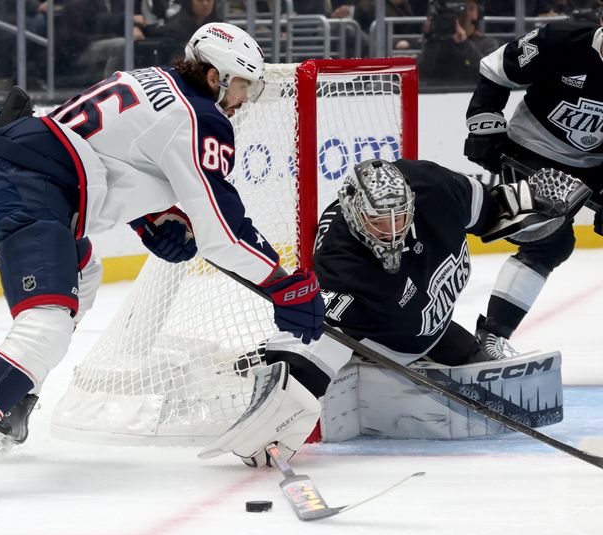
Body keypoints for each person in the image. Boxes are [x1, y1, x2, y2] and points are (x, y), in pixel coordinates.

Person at [0, 22, 325, 501]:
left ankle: (13, 395)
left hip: (24, 173)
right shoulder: (201, 116)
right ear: (214, 77)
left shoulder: (152, 79)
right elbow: (223, 234)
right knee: (47, 324)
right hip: (28, 189)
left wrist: (149, 221)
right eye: (243, 84)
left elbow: (97, 151)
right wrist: (284, 285)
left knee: (85, 273)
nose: (245, 98)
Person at [199, 158, 568, 465]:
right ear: (356, 216)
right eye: (379, 222)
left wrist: (529, 200)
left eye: (401, 217)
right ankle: (252, 365)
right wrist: (284, 401)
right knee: (307, 371)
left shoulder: (435, 187)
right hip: (374, 336)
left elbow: (492, 207)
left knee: (493, 383)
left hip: (430, 330)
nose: (393, 231)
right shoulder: (341, 259)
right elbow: (319, 334)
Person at [463, 5, 603, 358]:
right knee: (547, 242)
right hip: (533, 149)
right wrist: (484, 122)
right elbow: (496, 68)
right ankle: (491, 337)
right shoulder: (562, 38)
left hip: (598, 163)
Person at [419, 0, 499, 87]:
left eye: (461, 8)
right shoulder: (435, 43)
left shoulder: (487, 43)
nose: (455, 15)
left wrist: (465, 44)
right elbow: (422, 76)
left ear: (477, 12)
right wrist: (430, 40)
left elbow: (492, 76)